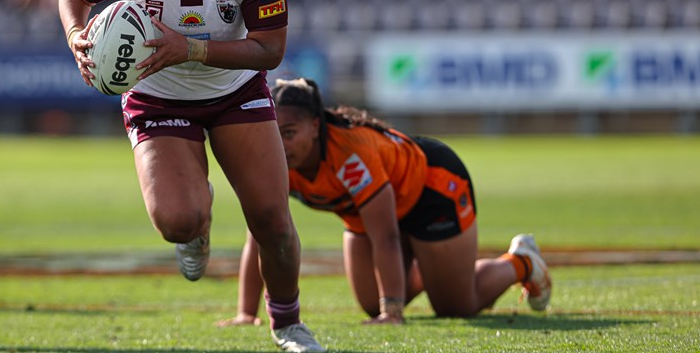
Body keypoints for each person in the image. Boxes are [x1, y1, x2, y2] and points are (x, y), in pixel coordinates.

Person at [57, 0, 324, 353]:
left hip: (236, 91)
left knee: (272, 219)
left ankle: (289, 325)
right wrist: (76, 35)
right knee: (178, 221)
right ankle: (198, 225)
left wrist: (190, 48)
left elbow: (271, 49)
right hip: (158, 98)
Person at [217, 78, 551, 326]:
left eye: (289, 133)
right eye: (275, 134)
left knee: (455, 306)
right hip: (369, 216)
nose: (281, 143)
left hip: (431, 189)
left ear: (316, 127)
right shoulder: (278, 161)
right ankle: (433, 268)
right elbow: (262, 236)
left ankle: (521, 262)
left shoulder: (349, 153)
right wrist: (247, 313)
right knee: (370, 304)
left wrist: (392, 312)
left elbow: (385, 235)